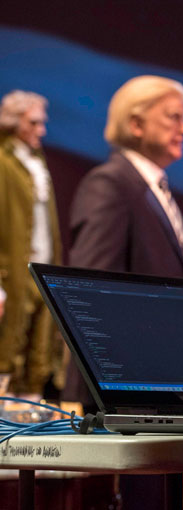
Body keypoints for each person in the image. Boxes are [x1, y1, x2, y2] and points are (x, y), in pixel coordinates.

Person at [65, 75, 183, 406]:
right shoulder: (111, 184)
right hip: (124, 389)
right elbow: (89, 292)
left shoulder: (153, 188)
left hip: (158, 380)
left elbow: (174, 281)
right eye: (174, 117)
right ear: (136, 124)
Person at [0, 90, 65, 397]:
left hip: (42, 266)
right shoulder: (3, 162)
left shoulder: (36, 162)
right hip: (13, 271)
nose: (42, 130)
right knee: (9, 341)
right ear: (15, 123)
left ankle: (32, 409)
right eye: (34, 123)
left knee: (40, 346)